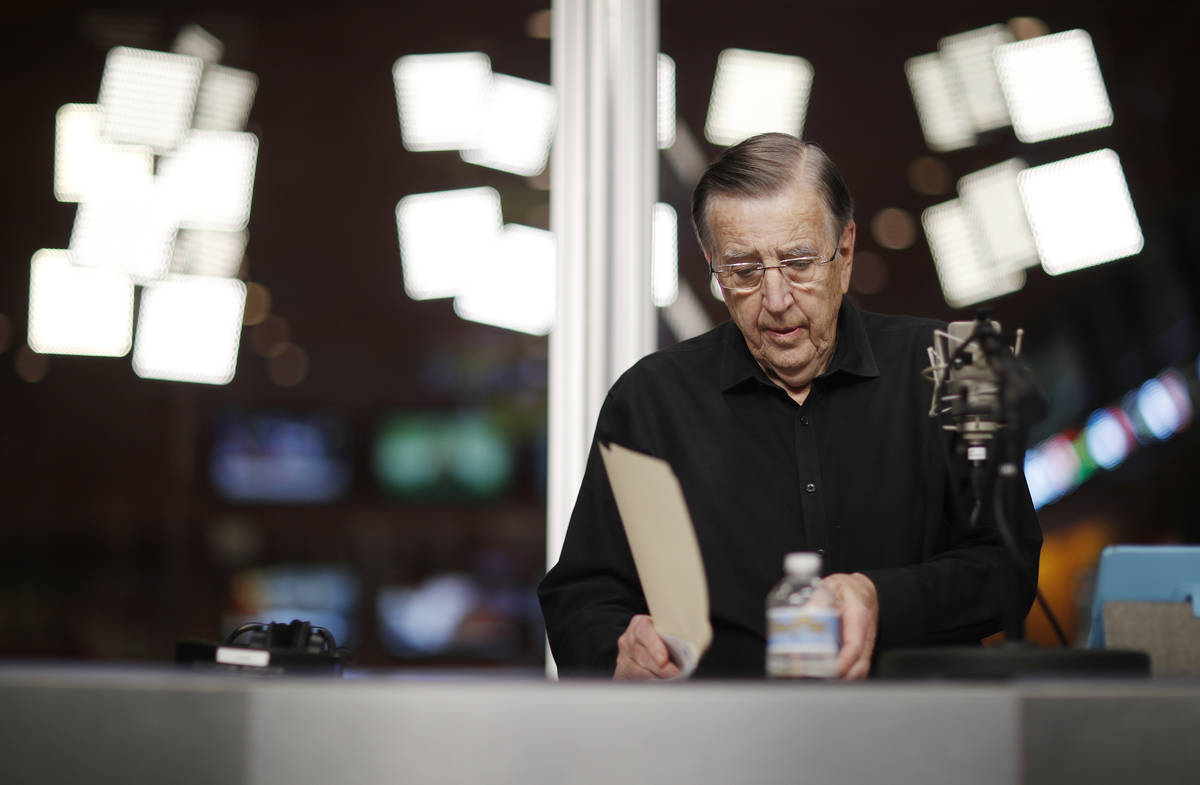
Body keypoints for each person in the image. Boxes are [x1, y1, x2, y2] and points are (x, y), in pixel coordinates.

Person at [538, 132, 1042, 680]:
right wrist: (619, 649)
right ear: (713, 266)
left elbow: (1007, 566)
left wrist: (879, 598)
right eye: (744, 271)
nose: (776, 302)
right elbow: (583, 594)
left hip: (924, 746)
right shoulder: (649, 400)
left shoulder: (958, 365)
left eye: (799, 262)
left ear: (844, 254)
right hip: (724, 752)